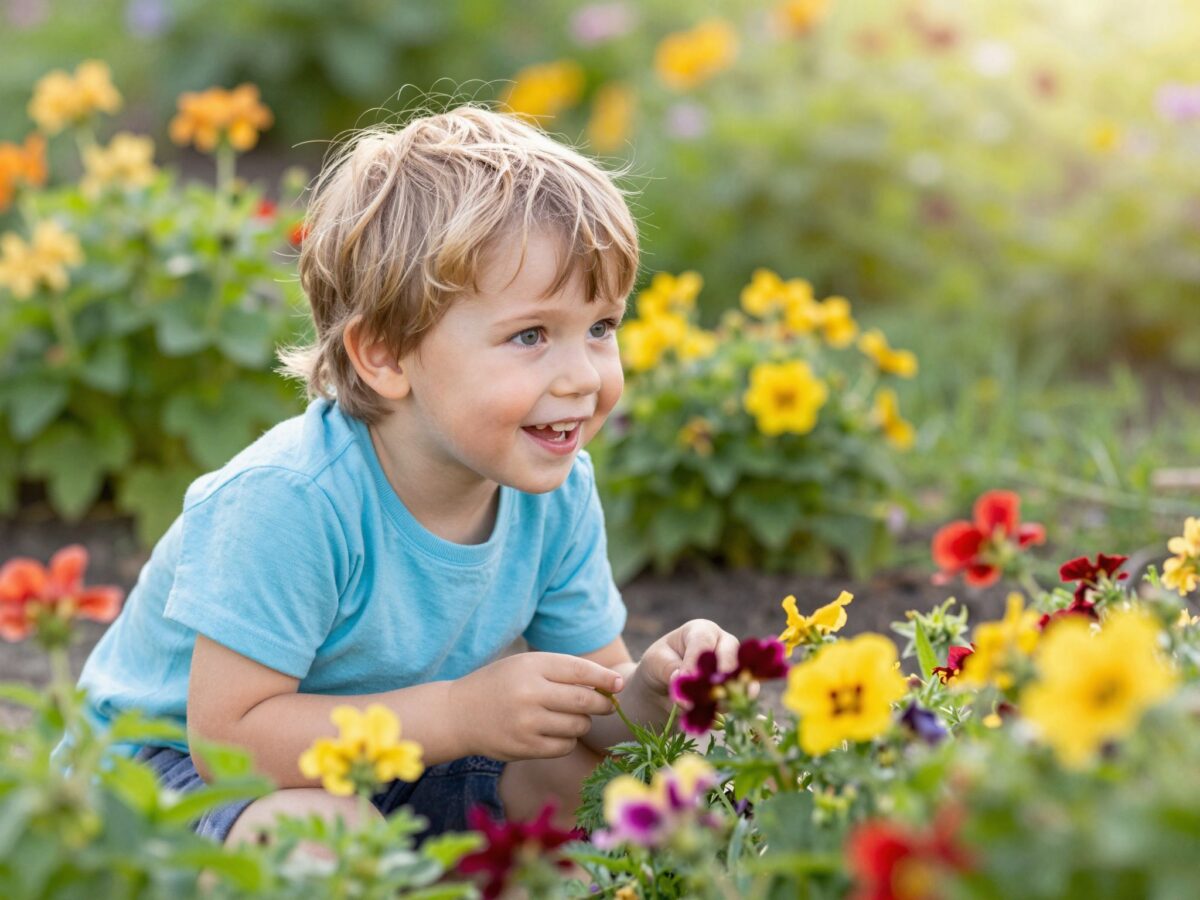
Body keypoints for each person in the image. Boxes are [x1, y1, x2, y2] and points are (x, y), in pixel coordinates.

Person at [76, 105, 740, 846]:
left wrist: (650, 692)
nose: (583, 374)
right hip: (169, 782)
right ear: (386, 356)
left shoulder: (554, 492)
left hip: (398, 761)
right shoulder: (291, 501)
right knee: (329, 836)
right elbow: (230, 742)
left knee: (622, 782)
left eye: (600, 327)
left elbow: (594, 718)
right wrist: (458, 715)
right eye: (531, 335)